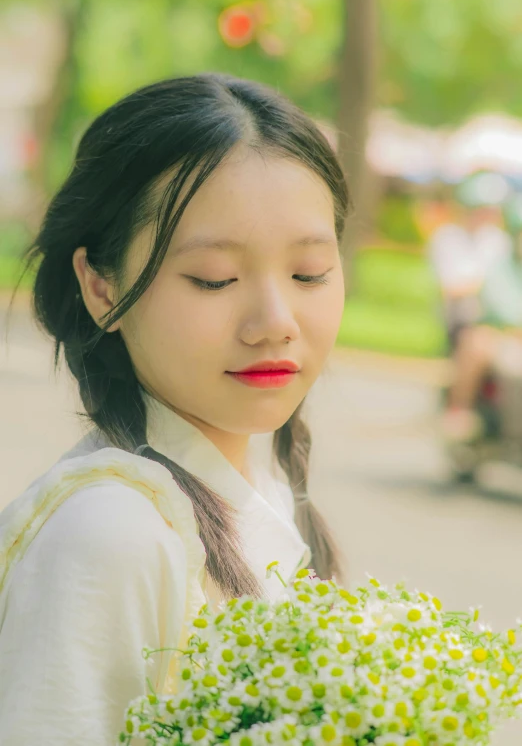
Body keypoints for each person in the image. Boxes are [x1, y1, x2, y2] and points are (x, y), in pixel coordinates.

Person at [0, 74, 348, 744]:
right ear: (101, 288)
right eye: (214, 278)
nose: (276, 321)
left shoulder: (267, 487)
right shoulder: (110, 536)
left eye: (309, 272)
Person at [441, 192, 522, 441]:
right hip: (502, 338)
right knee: (477, 342)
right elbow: (503, 308)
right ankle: (459, 412)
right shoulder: (499, 265)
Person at [428, 172, 512, 353]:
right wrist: (485, 287)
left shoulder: (497, 239)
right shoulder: (446, 237)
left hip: (499, 315)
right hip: (463, 317)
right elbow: (450, 288)